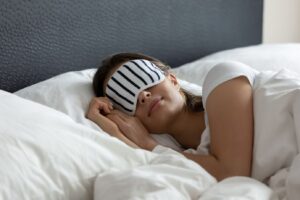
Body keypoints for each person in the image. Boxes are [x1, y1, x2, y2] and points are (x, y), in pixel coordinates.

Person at [86, 52, 256, 181]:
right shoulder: (192, 158)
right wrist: (117, 133)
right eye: (125, 98)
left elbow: (232, 174)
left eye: (142, 78)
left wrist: (148, 144)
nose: (142, 95)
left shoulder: (223, 80)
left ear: (173, 80)